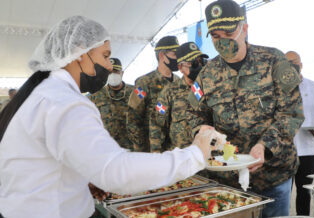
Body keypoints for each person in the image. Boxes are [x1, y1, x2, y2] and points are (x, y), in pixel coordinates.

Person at [0, 16, 222, 218]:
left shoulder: (44, 94)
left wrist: (81, 180)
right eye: (105, 56)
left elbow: (39, 168)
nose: (109, 65)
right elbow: (117, 172)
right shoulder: (64, 102)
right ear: (79, 52)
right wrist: (195, 154)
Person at [187, 0, 305, 217]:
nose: (222, 41)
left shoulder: (274, 61)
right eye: (215, 36)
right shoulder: (206, 74)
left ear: (245, 28)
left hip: (273, 175)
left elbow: (291, 113)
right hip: (227, 179)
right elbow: (194, 113)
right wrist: (201, 130)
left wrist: (264, 146)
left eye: (229, 33)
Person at [286, 51, 314, 216]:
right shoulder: (278, 88)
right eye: (287, 62)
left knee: (304, 191)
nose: (292, 65)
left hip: (307, 148)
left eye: (294, 62)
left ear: (301, 64)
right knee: (284, 192)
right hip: (285, 149)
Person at [150, 42, 209, 152]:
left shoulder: (210, 88)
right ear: (180, 67)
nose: (200, 66)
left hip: (208, 158)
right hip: (181, 160)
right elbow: (157, 127)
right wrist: (157, 157)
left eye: (201, 61)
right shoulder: (169, 93)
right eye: (194, 63)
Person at [127, 36, 180, 152]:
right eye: (175, 54)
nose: (179, 58)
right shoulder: (144, 83)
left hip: (175, 149)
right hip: (152, 150)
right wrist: (141, 148)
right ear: (162, 56)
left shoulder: (179, 82)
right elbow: (133, 118)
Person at [89, 58, 134, 150]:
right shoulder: (95, 96)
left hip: (134, 147)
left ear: (122, 73)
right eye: (109, 72)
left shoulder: (137, 92)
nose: (113, 75)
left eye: (116, 71)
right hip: (108, 149)